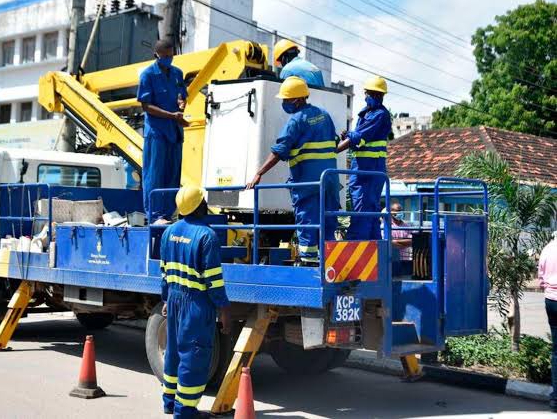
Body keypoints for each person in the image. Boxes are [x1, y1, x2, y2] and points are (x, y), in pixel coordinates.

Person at [246, 76, 340, 262]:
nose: (283, 102)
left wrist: (258, 173)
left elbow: (279, 151)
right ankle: (329, 262)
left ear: (296, 99)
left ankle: (309, 262)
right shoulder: (324, 115)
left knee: (308, 222)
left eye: (286, 99)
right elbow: (335, 142)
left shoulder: (296, 121)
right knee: (328, 220)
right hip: (330, 181)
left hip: (308, 182)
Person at [160, 186, 231, 418]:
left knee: (173, 353)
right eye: (203, 202)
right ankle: (186, 411)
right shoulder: (206, 236)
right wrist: (223, 309)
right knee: (194, 356)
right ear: (200, 206)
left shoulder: (168, 232)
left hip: (174, 298)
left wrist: (165, 299)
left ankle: (169, 402)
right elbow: (213, 280)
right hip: (196, 304)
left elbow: (164, 272)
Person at [137, 39, 190, 224]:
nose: (169, 59)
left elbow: (182, 96)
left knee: (173, 173)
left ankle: (168, 214)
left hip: (175, 131)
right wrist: (171, 115)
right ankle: (155, 215)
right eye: (165, 56)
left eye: (171, 55)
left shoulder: (177, 74)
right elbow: (146, 106)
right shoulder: (148, 75)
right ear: (156, 55)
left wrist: (182, 105)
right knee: (155, 173)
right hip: (157, 132)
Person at [337, 75, 392, 240]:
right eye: (370, 94)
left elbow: (360, 137)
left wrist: (336, 149)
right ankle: (375, 246)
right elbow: (358, 138)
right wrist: (349, 136)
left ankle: (355, 243)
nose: (370, 97)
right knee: (370, 211)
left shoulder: (379, 115)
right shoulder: (368, 114)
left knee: (362, 209)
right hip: (365, 168)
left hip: (369, 170)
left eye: (373, 94)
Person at [538, 231, 557, 413]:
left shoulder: (547, 249)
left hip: (551, 301)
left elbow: (541, 279)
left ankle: (555, 399)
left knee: (556, 351)